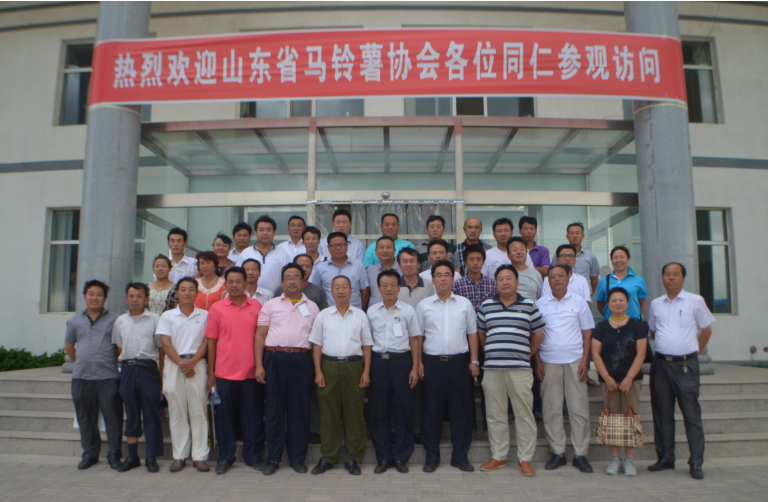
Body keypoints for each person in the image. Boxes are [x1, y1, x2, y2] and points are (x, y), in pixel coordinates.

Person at [647, 262, 715, 480]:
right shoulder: (656, 304)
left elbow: (706, 330)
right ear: (662, 278)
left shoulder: (695, 301)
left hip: (686, 366)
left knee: (691, 414)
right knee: (662, 413)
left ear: (683, 278)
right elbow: (653, 332)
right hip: (660, 365)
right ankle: (666, 457)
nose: (671, 277)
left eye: (675, 274)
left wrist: (692, 352)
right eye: (667, 274)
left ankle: (696, 461)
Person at [477, 265, 545, 476]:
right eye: (500, 279)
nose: (504, 282)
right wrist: (493, 352)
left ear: (517, 282)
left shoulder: (529, 306)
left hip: (520, 369)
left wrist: (525, 354)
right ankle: (498, 456)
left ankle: (525, 459)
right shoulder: (486, 306)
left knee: (524, 413)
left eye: (509, 278)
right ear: (496, 283)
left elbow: (538, 335)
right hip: (492, 369)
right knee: (495, 414)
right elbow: (482, 335)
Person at [255, 264, 320, 475]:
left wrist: (316, 368)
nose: (292, 281)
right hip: (274, 357)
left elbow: (317, 340)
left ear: (303, 281)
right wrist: (259, 365)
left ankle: (298, 458)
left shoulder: (312, 307)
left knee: (299, 410)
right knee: (274, 410)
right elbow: (260, 335)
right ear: (282, 282)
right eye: (288, 277)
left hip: (301, 360)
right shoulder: (271, 305)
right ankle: (273, 458)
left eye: (296, 277)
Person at [417, 261, 480, 473]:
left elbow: (472, 333)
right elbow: (418, 337)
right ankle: (431, 457)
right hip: (432, 364)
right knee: (431, 411)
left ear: (453, 279)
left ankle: (460, 457)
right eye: (439, 275)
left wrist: (474, 361)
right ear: (433, 279)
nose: (443, 278)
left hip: (459, 363)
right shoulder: (424, 305)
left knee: (460, 411)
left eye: (447, 274)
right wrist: (418, 363)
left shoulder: (464, 304)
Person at [309, 276, 373, 476]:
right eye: (337, 287)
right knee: (329, 414)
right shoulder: (323, 315)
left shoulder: (360, 315)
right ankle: (328, 457)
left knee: (355, 413)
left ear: (351, 291)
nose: (341, 291)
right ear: (332, 292)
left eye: (345, 287)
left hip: (354, 366)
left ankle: (353, 458)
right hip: (329, 366)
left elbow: (367, 345)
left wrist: (366, 371)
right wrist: (318, 371)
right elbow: (317, 345)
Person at [534, 265, 595, 473]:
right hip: (548, 361)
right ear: (548, 281)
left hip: (575, 361)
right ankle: (557, 452)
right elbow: (535, 335)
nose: (557, 279)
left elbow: (587, 333)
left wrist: (585, 362)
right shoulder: (540, 304)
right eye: (552, 276)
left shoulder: (579, 302)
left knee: (579, 409)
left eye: (561, 275)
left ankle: (581, 454)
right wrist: (537, 362)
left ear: (568, 278)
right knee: (551, 409)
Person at [205, 267, 265, 475]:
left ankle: (253, 456)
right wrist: (211, 374)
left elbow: (261, 338)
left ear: (245, 283)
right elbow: (211, 343)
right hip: (224, 373)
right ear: (225, 284)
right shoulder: (216, 308)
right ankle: (225, 456)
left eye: (238, 281)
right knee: (224, 416)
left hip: (251, 373)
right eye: (230, 281)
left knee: (252, 416)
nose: (234, 285)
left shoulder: (257, 306)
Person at [367, 269, 422, 474]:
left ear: (399, 288)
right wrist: (367, 370)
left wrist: (415, 367)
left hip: (402, 363)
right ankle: (383, 457)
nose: (389, 289)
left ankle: (401, 456)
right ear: (379, 288)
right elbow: (366, 343)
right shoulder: (371, 311)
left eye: (393, 285)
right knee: (378, 411)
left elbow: (415, 340)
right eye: (385, 285)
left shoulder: (408, 311)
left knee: (403, 409)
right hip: (378, 363)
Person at [64, 280, 122, 470]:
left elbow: (120, 348)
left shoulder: (115, 320)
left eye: (99, 294)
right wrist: (83, 361)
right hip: (81, 377)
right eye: (91, 294)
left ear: (104, 298)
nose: (95, 297)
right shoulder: (75, 321)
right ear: (84, 296)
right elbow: (69, 346)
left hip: (108, 377)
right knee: (85, 418)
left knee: (113, 418)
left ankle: (114, 454)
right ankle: (89, 454)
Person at [591, 287, 648, 477]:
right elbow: (596, 354)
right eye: (614, 300)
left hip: (632, 380)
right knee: (612, 419)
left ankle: (629, 459)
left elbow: (641, 354)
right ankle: (615, 458)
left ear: (628, 303)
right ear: (608, 304)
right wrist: (607, 378)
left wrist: (629, 378)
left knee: (630, 416)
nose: (617, 303)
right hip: (608, 382)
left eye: (621, 300)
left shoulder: (637, 326)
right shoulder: (601, 328)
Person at [157, 277, 211, 473]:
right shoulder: (167, 316)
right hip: (175, 366)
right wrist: (182, 364)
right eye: (183, 289)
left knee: (199, 411)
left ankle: (200, 456)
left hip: (197, 365)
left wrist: (193, 362)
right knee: (177, 411)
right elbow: (165, 343)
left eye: (191, 289)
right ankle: (179, 455)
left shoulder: (205, 315)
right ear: (177, 293)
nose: (187, 293)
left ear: (197, 293)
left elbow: (206, 342)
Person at [111, 283, 163, 473]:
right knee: (131, 414)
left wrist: (161, 374)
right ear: (126, 299)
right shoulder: (120, 321)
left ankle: (151, 457)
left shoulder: (154, 319)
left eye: (139, 296)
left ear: (146, 299)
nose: (135, 300)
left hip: (148, 369)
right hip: (127, 369)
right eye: (131, 296)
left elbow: (161, 348)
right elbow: (119, 347)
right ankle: (132, 457)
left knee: (151, 414)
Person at [395, 247, 434, 445]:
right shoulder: (394, 286)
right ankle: (400, 429)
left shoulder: (429, 285)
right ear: (399, 264)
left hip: (425, 345)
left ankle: (418, 429)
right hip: (400, 347)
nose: (408, 264)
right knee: (402, 391)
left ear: (419, 264)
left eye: (412, 261)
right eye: (404, 261)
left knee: (420, 391)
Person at [311, 232, 370, 310]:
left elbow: (365, 291)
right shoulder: (321, 268)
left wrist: (360, 311)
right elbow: (316, 292)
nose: (338, 248)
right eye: (334, 245)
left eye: (341, 245)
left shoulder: (358, 265)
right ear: (328, 248)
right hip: (329, 313)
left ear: (347, 246)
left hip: (354, 312)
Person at [235, 215, 291, 293]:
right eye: (261, 230)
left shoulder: (283, 254)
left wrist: (279, 295)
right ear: (255, 233)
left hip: (275, 297)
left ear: (274, 233)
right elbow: (237, 276)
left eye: (268, 230)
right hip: (249, 297)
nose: (265, 233)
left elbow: (288, 277)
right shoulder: (246, 253)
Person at [596, 246, 647, 321]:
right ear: (611, 260)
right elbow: (600, 305)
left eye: (622, 257)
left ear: (628, 259)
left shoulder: (639, 280)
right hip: (611, 324)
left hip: (633, 323)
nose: (619, 260)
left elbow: (642, 304)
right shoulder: (603, 281)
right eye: (615, 257)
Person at [550, 223, 600, 294]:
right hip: (561, 296)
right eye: (572, 233)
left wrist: (588, 295)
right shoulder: (558, 256)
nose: (574, 236)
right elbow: (552, 274)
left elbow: (594, 280)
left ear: (583, 236)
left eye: (577, 233)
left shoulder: (590, 256)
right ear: (567, 236)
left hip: (583, 296)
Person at [452, 244, 497, 313]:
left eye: (479, 259)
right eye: (471, 259)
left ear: (483, 262)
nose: (475, 263)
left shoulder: (493, 285)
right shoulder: (457, 285)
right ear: (465, 262)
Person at [366, 236, 401, 306]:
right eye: (381, 247)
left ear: (394, 251)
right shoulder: (370, 270)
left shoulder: (402, 269)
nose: (385, 250)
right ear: (376, 251)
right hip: (374, 311)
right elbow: (366, 293)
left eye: (388, 247)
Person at [507, 237, 542, 301]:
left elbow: (540, 297)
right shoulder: (504, 274)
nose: (519, 252)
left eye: (522, 249)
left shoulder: (536, 274)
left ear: (526, 253)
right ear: (508, 255)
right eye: (514, 250)